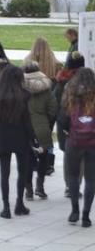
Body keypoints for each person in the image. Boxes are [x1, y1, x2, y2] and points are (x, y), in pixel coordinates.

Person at [0, 65, 38, 219]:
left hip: (2, 138)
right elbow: (27, 121)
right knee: (22, 171)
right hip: (20, 138)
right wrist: (33, 138)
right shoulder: (24, 96)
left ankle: (6, 207)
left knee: (4, 173)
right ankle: (19, 203)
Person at [60, 67, 95, 228]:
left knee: (73, 176)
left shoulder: (70, 93)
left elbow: (62, 118)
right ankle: (86, 215)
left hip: (74, 140)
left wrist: (67, 131)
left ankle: (74, 210)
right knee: (91, 179)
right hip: (92, 143)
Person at [23, 61, 57, 200]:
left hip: (25, 129)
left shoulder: (21, 88)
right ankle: (40, 187)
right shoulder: (47, 90)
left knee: (27, 160)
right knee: (43, 159)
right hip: (42, 128)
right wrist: (46, 122)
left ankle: (28, 190)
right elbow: (53, 109)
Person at [56, 52, 86, 197]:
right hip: (85, 124)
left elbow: (56, 103)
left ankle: (69, 185)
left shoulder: (62, 80)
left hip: (66, 123)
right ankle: (77, 185)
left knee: (69, 155)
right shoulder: (89, 81)